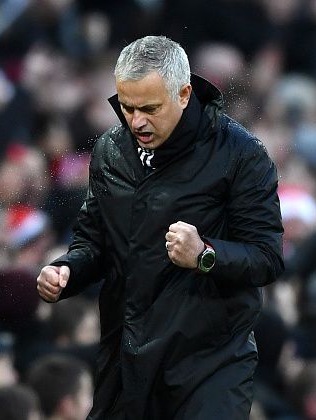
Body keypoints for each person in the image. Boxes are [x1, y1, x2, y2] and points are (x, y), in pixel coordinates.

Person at [36, 35, 284, 419]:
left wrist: (205, 255)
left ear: (184, 93)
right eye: (127, 106)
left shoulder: (240, 154)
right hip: (126, 354)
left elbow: (267, 258)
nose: (136, 121)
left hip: (210, 361)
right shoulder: (110, 151)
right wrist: (68, 270)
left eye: (150, 108)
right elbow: (94, 241)